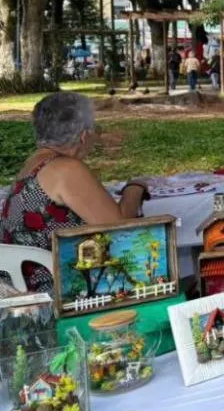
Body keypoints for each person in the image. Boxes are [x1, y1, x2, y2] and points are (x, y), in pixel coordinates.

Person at [0, 93, 148, 293]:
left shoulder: (35, 163)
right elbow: (120, 226)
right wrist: (135, 187)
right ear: (84, 135)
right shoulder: (65, 170)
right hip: (54, 292)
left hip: (24, 286)